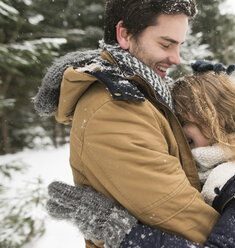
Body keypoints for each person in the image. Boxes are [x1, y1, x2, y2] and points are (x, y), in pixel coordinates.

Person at [46, 61, 235, 248]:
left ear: (213, 113)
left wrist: (118, 230)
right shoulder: (201, 160)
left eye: (182, 119)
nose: (176, 132)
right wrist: (89, 67)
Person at [34, 1, 222, 247]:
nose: (176, 59)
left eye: (179, 46)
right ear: (124, 34)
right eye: (166, 44)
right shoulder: (116, 108)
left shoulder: (144, 92)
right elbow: (181, 216)